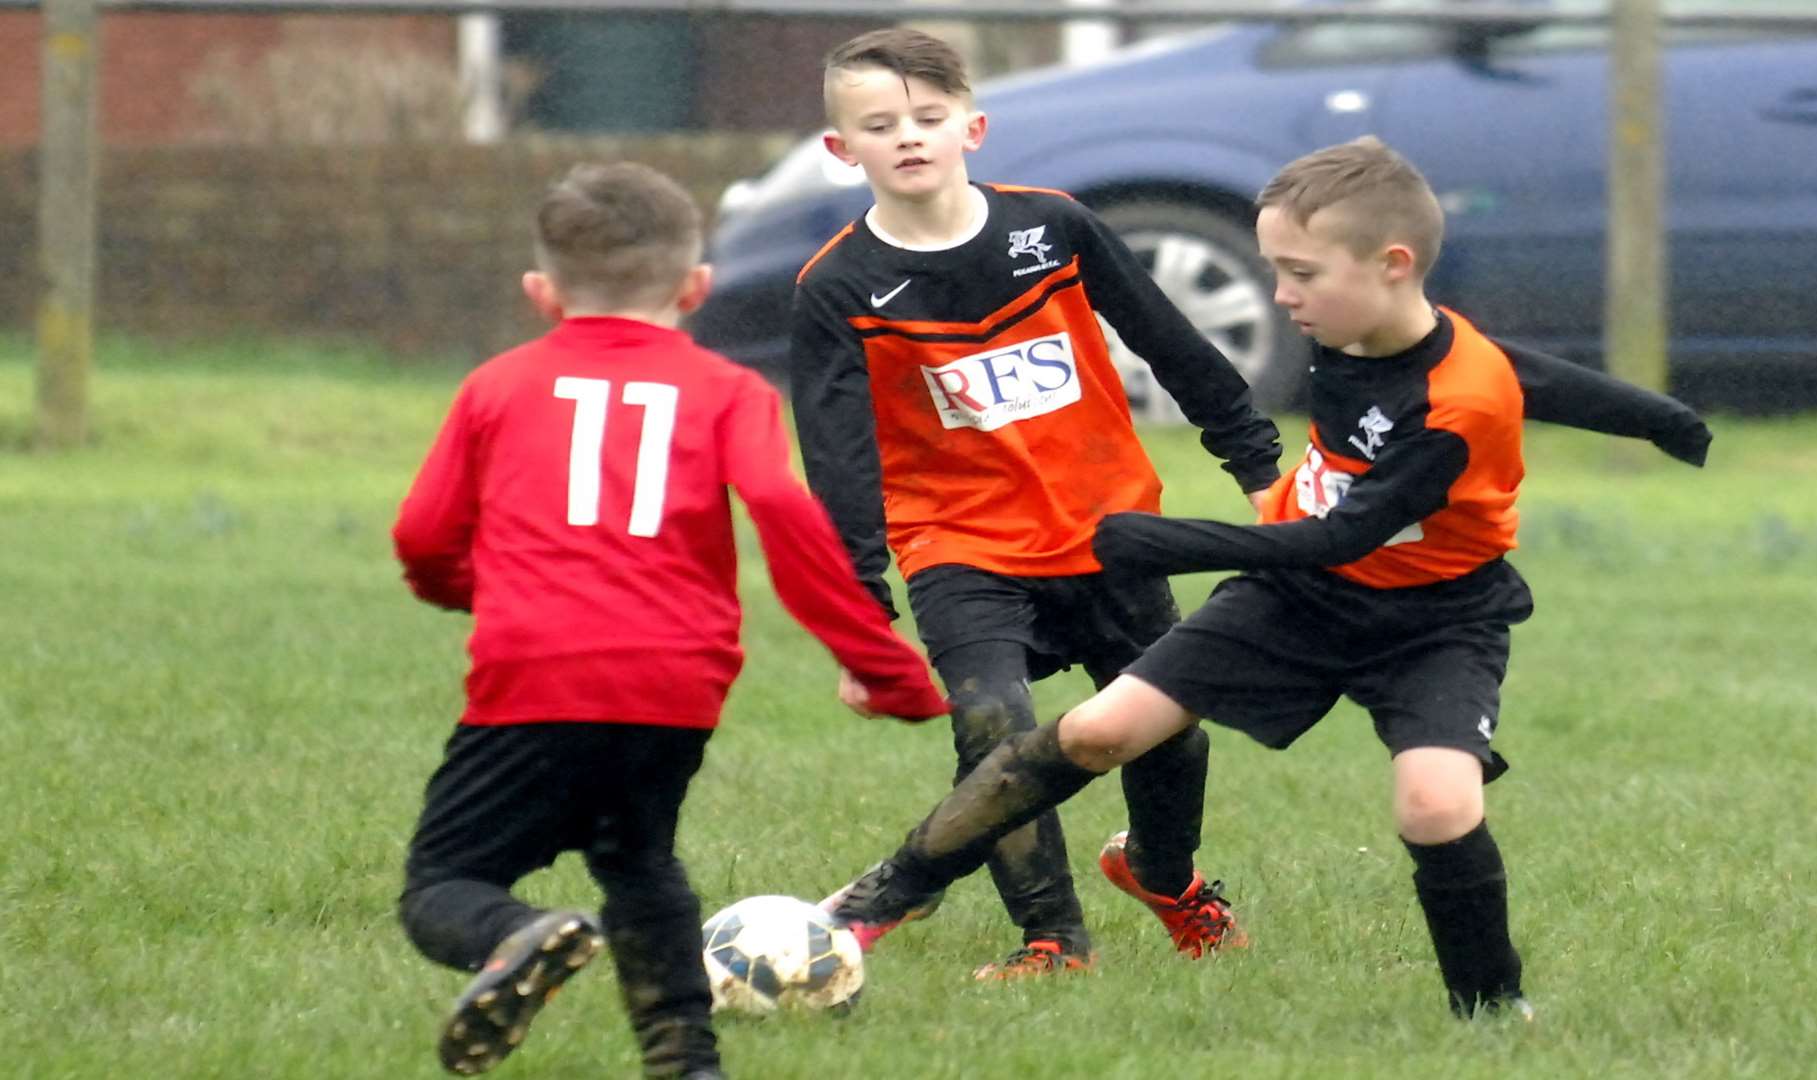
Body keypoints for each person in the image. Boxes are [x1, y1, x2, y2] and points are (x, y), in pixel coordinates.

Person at [821, 136, 1713, 1019]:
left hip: (1431, 619)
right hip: (1296, 600)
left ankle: (1489, 1008)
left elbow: (1342, 535)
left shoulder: (1454, 407)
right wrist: (1661, 417)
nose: (1281, 297)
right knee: (1100, 729)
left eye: (1301, 274)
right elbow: (1532, 373)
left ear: (1392, 265)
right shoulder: (1357, 325)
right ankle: (881, 899)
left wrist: (1161, 542)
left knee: (1436, 804)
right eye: (1275, 270)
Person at [391, 162, 947, 1079]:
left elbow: (422, 534)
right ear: (695, 288)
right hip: (674, 687)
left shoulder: (496, 386)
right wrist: (880, 663)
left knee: (444, 884)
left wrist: (465, 591)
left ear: (541, 292)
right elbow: (784, 514)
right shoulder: (729, 391)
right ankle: (685, 1056)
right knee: (638, 862)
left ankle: (524, 936)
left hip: (535, 676)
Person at [790, 28, 1284, 979]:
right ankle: (1054, 942)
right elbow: (840, 463)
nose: (909, 138)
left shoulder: (1053, 227)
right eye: (880, 124)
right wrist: (860, 624)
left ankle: (1163, 875)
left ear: (971, 126)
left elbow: (1173, 345)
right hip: (958, 547)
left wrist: (1256, 466)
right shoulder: (836, 287)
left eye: (929, 118)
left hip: (1109, 533)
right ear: (841, 150)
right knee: (993, 727)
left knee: (1169, 728)